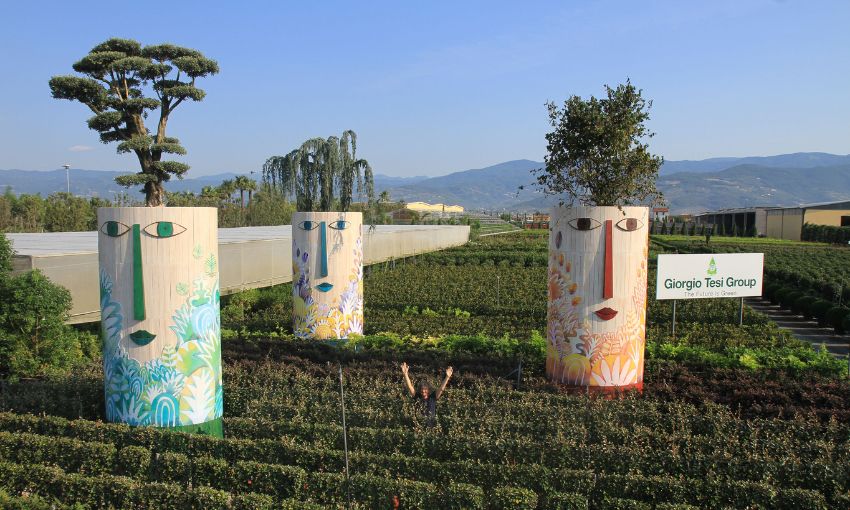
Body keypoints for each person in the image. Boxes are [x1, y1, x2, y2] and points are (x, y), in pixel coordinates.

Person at [401, 362, 453, 429]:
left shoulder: (433, 397)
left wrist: (447, 377)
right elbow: (410, 387)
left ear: (428, 390)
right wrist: (405, 374)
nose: (423, 391)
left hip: (431, 427)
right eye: (422, 389)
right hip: (418, 427)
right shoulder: (417, 397)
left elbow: (441, 389)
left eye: (425, 389)